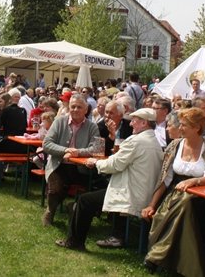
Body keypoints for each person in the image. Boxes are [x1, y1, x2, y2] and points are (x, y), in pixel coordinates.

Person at [55, 108, 163, 250]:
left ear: (144, 123)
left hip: (132, 195)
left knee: (84, 200)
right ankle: (117, 236)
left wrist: (95, 162)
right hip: (143, 193)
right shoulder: (153, 141)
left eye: (134, 121)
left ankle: (75, 242)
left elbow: (114, 165)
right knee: (99, 193)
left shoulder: (136, 141)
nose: (131, 124)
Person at [141, 107, 205, 276]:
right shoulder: (174, 145)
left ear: (196, 127)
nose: (180, 128)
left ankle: (157, 255)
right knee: (183, 206)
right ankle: (178, 263)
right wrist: (152, 204)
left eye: (184, 125)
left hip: (202, 196)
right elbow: (165, 178)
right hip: (174, 194)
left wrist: (194, 181)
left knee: (187, 202)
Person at [42, 94, 100, 226]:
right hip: (59, 165)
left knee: (89, 189)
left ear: (86, 109)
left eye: (79, 107)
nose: (75, 109)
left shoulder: (92, 127)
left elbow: (96, 149)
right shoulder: (59, 122)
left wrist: (78, 153)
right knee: (55, 189)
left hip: (81, 168)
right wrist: (65, 150)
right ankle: (50, 211)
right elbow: (47, 144)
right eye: (72, 106)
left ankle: (73, 207)